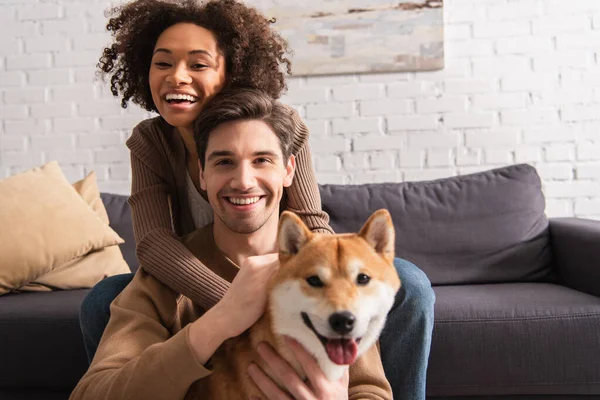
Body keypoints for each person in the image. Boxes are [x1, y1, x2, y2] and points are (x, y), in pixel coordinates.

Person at [80, 0, 435, 398]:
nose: (178, 76)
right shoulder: (150, 141)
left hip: (278, 257)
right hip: (188, 270)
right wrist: (233, 309)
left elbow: (311, 220)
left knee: (411, 285)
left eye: (198, 64)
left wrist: (305, 272)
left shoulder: (280, 125)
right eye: (163, 63)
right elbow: (153, 245)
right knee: (105, 298)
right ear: (202, 171)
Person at [70, 88, 394, 399]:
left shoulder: (333, 273)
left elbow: (370, 389)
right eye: (224, 162)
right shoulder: (161, 283)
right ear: (201, 174)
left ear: (289, 170)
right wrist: (220, 320)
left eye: (262, 160)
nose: (243, 181)